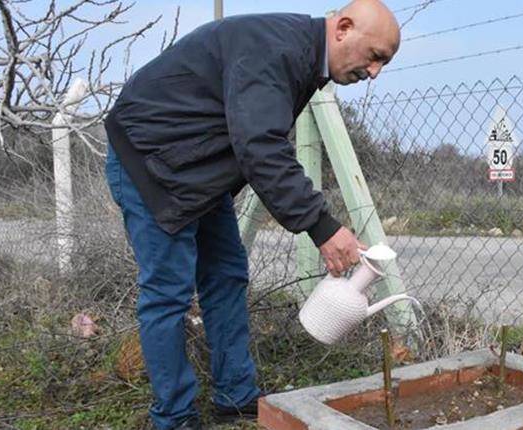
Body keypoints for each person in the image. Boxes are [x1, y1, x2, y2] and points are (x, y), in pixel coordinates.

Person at [103, 1, 400, 428]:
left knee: (227, 276)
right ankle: (173, 416)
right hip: (152, 162)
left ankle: (235, 397)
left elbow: (252, 139)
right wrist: (322, 226)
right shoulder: (276, 49)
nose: (374, 73)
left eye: (383, 63)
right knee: (168, 293)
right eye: (375, 57)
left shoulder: (299, 57)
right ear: (343, 29)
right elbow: (260, 147)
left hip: (197, 169)